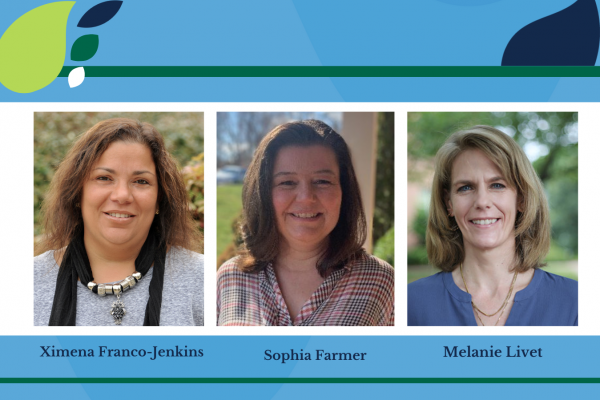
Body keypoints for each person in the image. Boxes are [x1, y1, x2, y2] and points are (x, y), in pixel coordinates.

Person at [217, 120, 394, 326]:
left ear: (344, 192)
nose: (306, 197)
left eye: (322, 181)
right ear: (263, 193)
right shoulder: (230, 278)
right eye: (287, 182)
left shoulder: (382, 282)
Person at [34, 118, 204, 326]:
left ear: (160, 197)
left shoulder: (201, 279)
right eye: (104, 178)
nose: (122, 195)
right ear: (77, 192)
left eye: (141, 181)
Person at [408, 125, 577, 326]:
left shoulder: (576, 303)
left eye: (497, 185)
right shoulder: (411, 303)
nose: (482, 201)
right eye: (466, 187)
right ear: (449, 204)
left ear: (521, 199)